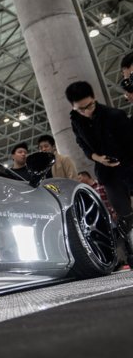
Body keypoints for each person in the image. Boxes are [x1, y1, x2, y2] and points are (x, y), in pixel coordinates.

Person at [65, 80, 133, 245]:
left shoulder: (114, 116)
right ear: (73, 106)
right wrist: (98, 158)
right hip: (107, 175)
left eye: (89, 106)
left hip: (129, 168)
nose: (86, 112)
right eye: (80, 109)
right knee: (125, 216)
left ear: (94, 98)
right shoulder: (76, 121)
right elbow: (83, 145)